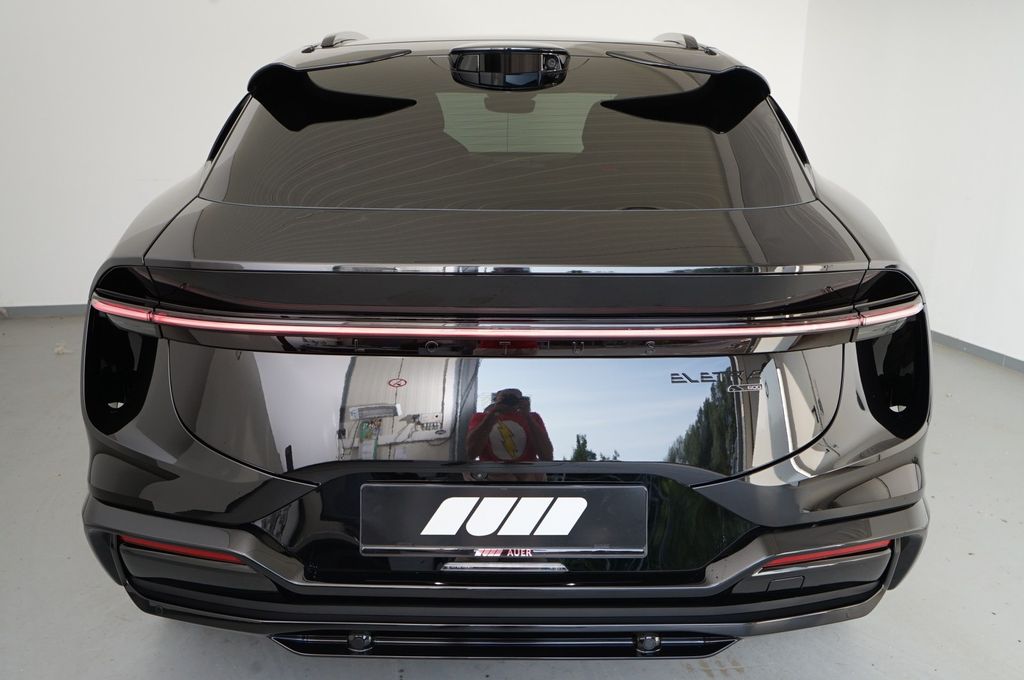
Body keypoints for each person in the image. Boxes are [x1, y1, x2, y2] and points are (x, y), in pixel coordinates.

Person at [466, 388, 554, 466]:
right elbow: (471, 453)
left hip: (526, 473)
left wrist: (527, 415)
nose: (509, 401)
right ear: (495, 400)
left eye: (513, 398)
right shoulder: (481, 417)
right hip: (492, 473)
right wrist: (491, 415)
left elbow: (547, 456)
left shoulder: (533, 417)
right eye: (504, 398)